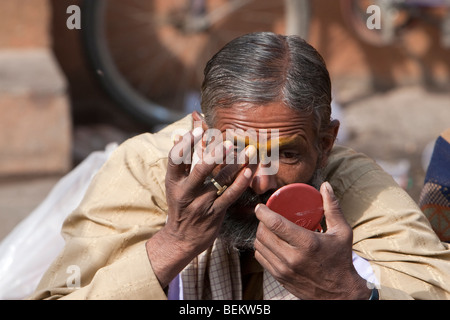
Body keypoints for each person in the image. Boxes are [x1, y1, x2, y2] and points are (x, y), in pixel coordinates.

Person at [30, 32, 450, 300]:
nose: (262, 179)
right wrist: (171, 245)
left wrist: (349, 294)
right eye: (237, 150)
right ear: (201, 132)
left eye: (287, 154)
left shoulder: (350, 184)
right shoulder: (146, 167)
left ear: (325, 144)